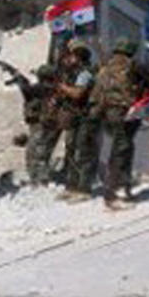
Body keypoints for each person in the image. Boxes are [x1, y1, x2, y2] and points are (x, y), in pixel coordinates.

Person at [89, 36, 147, 211]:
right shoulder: (131, 65)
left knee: (123, 146)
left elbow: (96, 93)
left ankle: (123, 187)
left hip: (108, 112)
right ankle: (113, 193)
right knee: (122, 147)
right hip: (124, 110)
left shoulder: (105, 68)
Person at [0, 59, 57, 184]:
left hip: (42, 123)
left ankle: (40, 179)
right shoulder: (46, 87)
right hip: (40, 123)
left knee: (37, 152)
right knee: (36, 151)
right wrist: (18, 77)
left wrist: (18, 78)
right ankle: (37, 178)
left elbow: (28, 90)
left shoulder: (45, 87)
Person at [55, 40, 97, 200]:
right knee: (71, 150)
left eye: (72, 55)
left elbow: (78, 94)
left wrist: (64, 88)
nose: (69, 59)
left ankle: (84, 188)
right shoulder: (74, 74)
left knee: (83, 151)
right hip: (75, 117)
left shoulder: (85, 73)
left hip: (85, 117)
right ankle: (72, 186)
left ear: (79, 56)